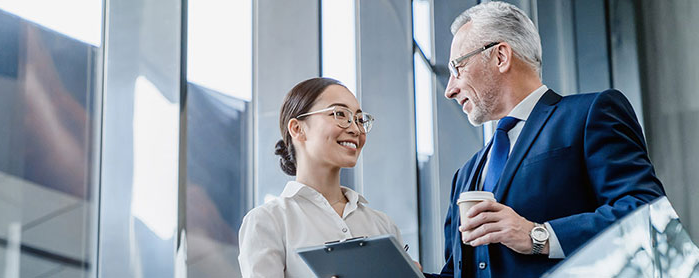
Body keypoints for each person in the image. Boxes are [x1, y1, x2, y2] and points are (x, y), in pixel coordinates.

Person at [431, 2, 666, 278]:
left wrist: (537, 236)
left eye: (457, 68)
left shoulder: (590, 114)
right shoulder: (465, 175)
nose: (450, 90)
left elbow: (648, 215)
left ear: (500, 57)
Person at [238, 77, 411, 277]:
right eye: (339, 114)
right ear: (297, 128)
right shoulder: (268, 221)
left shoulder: (383, 225)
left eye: (359, 119)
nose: (355, 129)